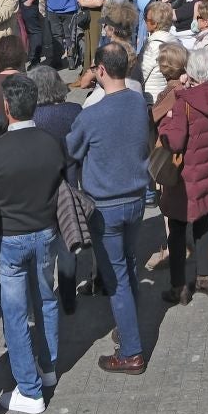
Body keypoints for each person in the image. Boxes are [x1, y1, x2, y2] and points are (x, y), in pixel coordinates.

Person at [0, 75, 67, 414]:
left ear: (6, 108)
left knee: (15, 314)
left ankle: (29, 391)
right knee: (46, 299)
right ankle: (47, 369)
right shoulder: (50, 143)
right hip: (45, 232)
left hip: (9, 239)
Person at [66, 43, 153, 374]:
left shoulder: (91, 115)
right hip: (135, 202)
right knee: (128, 264)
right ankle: (127, 325)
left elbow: (71, 150)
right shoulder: (137, 101)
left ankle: (131, 352)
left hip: (106, 208)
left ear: (100, 69)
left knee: (115, 279)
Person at [155, 45, 208, 303]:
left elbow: (174, 142)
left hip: (185, 175)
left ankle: (178, 287)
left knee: (176, 229)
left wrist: (164, 125)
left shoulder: (184, 101)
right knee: (203, 223)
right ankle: (205, 278)